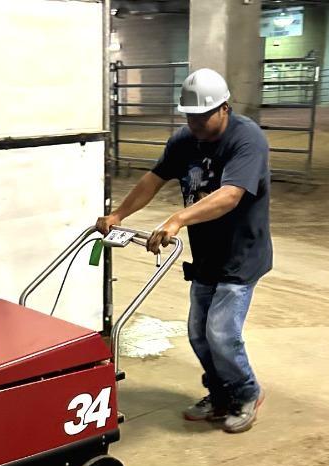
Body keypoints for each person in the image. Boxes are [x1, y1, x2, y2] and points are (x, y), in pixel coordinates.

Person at [97, 68, 272, 433]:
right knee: (198, 332)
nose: (194, 123)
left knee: (222, 334)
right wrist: (118, 213)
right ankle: (221, 393)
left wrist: (176, 220)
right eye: (189, 116)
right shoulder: (184, 140)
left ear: (224, 108)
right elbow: (153, 180)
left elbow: (229, 196)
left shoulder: (247, 139)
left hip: (241, 255)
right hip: (207, 255)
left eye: (202, 115)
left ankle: (246, 392)